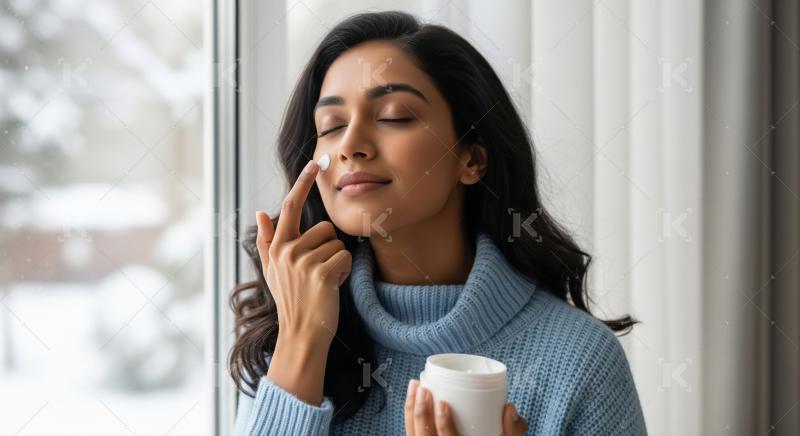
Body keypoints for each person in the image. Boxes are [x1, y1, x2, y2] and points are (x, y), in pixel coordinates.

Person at [228, 10, 647, 436]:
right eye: (331, 126)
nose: (349, 146)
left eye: (393, 116)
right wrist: (301, 339)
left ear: (471, 159)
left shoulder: (580, 360)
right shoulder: (284, 332)